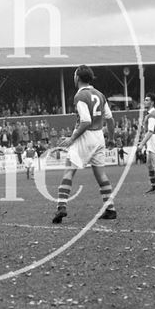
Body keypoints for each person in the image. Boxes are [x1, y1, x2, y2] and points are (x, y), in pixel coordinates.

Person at [53, 65, 116, 224]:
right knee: (101, 175)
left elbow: (86, 121)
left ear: (77, 78)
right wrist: (111, 138)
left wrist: (72, 138)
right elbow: (110, 119)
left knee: (69, 172)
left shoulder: (80, 96)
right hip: (99, 136)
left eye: (74, 75)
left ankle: (61, 206)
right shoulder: (100, 95)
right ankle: (110, 209)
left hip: (85, 136)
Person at [137, 93, 155, 194]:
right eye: (145, 99)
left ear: (152, 102)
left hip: (153, 139)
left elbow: (150, 131)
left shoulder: (152, 115)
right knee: (149, 164)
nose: (145, 101)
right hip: (151, 139)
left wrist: (141, 144)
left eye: (147, 100)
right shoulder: (150, 114)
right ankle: (154, 186)